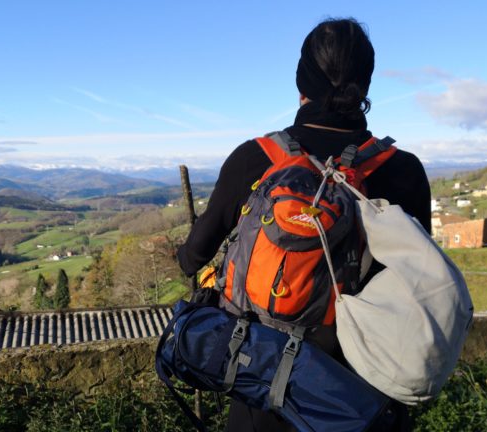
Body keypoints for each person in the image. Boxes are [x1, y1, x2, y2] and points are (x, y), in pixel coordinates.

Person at [176, 17, 430, 432]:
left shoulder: (254, 159)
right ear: (365, 85)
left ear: (301, 84)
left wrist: (189, 258)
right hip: (364, 390)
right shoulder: (402, 172)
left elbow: (194, 256)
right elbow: (420, 280)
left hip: (264, 383)